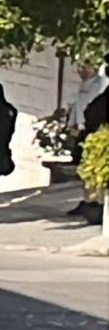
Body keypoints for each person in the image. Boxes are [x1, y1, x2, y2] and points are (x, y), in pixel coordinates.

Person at [66, 59, 108, 216]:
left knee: (94, 170)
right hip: (86, 131)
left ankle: (95, 203)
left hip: (97, 133)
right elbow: (81, 106)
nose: (81, 70)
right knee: (84, 169)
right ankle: (89, 201)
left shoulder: (100, 85)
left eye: (85, 66)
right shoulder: (86, 86)